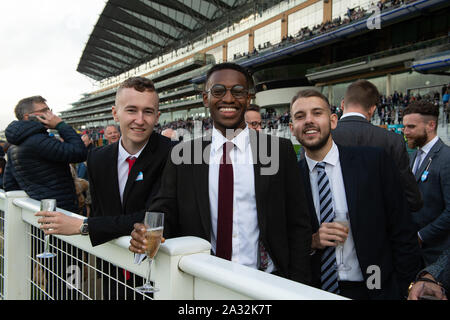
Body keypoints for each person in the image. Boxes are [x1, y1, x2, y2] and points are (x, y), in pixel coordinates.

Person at [129, 62, 312, 285]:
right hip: (203, 282)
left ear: (248, 98)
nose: (228, 99)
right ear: (206, 99)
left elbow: (298, 223)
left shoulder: (279, 150)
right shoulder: (183, 155)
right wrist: (145, 231)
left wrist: (298, 284)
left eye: (238, 91)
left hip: (267, 282)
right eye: (218, 91)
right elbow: (165, 210)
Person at [36, 77, 174, 299]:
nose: (140, 120)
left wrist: (85, 225)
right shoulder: (98, 158)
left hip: (157, 270)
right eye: (131, 110)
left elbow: (157, 216)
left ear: (157, 116)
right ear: (115, 113)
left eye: (148, 112)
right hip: (112, 267)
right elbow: (102, 210)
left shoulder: (174, 154)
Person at [290, 89, 422, 299]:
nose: (309, 121)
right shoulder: (289, 179)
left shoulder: (374, 162)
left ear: (333, 121)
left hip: (374, 289)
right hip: (314, 290)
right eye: (299, 116)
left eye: (317, 113)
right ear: (292, 129)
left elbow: (402, 229)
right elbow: (284, 240)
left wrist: (406, 285)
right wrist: (312, 241)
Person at [332, 80, 423, 212]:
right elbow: (412, 199)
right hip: (379, 226)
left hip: (332, 227)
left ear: (342, 104)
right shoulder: (392, 140)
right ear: (373, 109)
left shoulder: (324, 136)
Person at [3, 95, 87, 212]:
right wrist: (60, 125)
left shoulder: (13, 147)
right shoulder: (39, 140)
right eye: (44, 111)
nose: (50, 115)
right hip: (59, 211)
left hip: (39, 210)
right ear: (27, 117)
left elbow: (10, 184)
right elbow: (79, 153)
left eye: (49, 110)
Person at [403, 101, 450, 266]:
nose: (405, 132)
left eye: (411, 127)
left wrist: (422, 236)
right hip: (413, 252)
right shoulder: (412, 156)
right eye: (404, 127)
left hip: (437, 255)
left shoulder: (446, 158)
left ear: (431, 125)